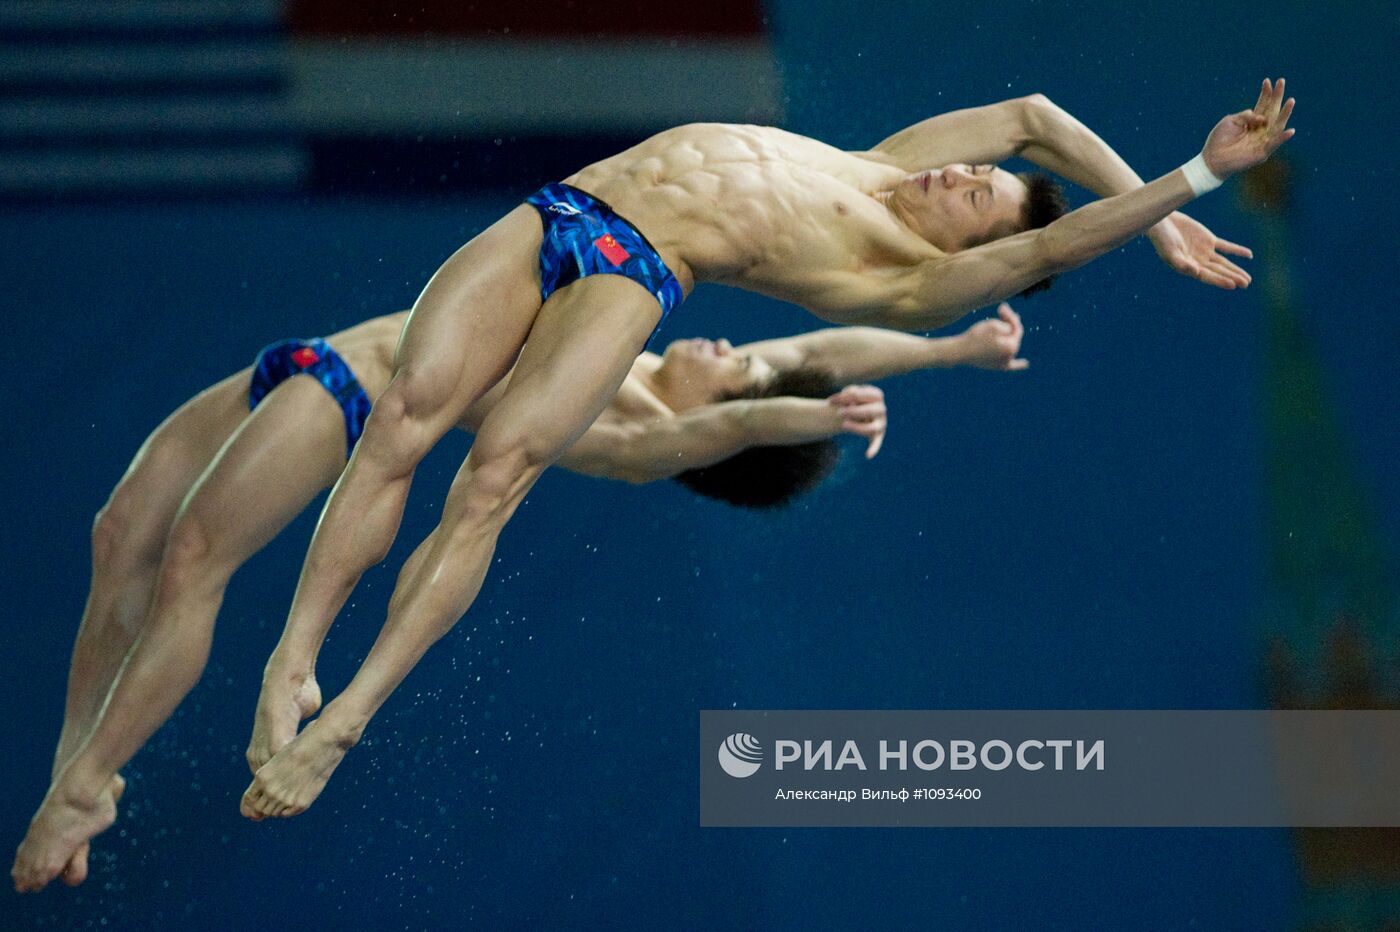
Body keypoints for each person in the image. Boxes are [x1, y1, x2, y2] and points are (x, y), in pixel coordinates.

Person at [230, 80, 1291, 824]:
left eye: (974, 198)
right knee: (403, 415)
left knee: (491, 479)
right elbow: (1033, 118)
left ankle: (349, 718)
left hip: (632, 267)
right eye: (974, 173)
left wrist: (1194, 180)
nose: (958, 174)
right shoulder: (881, 164)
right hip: (568, 204)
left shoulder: (912, 279)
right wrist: (1159, 225)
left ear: (971, 254)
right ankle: (295, 661)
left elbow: (1053, 242)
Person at [11, 303, 1032, 892]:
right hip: (316, 353)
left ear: (721, 431)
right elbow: (823, 352)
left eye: (738, 372)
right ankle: (75, 770)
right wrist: (950, 349)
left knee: (192, 560)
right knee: (122, 534)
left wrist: (809, 417)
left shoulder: (643, 431)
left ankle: (90, 782)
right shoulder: (645, 363)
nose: (734, 349)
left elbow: (744, 420)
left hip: (355, 395)